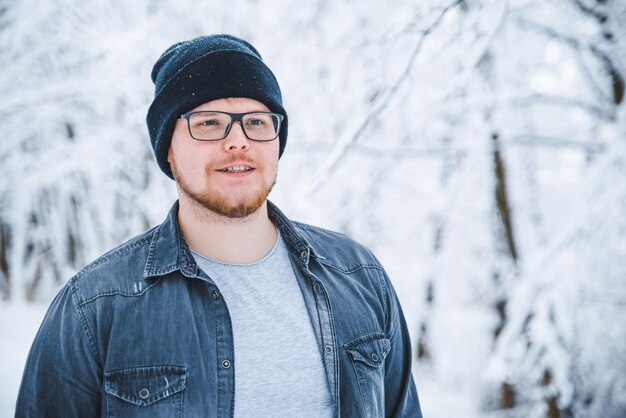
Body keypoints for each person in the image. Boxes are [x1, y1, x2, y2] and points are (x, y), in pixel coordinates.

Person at [16, 34, 423, 418]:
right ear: (168, 151)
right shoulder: (96, 305)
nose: (238, 142)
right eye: (209, 123)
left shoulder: (358, 277)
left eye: (257, 122)